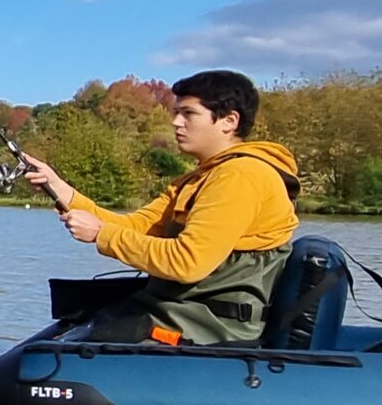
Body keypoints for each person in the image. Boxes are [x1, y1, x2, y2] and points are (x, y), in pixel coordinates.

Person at [17, 69, 301, 345]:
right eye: (176, 113)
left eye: (188, 114)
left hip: (213, 324)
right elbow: (138, 227)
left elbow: (188, 262)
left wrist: (101, 234)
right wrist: (60, 189)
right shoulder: (199, 177)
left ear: (228, 121)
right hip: (184, 310)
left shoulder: (240, 176)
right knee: (76, 307)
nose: (176, 122)